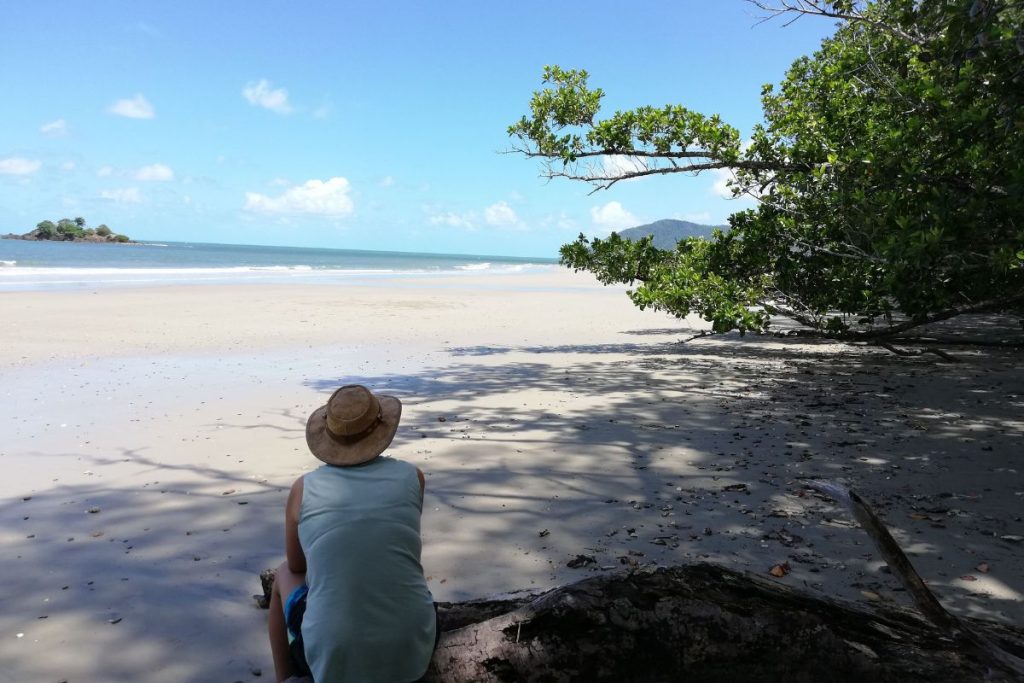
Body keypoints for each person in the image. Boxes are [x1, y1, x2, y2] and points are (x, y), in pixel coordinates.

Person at [268, 385, 437, 683]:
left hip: (333, 656)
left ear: (329, 436)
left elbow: (297, 566)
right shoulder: (413, 477)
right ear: (381, 430)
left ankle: (285, 678)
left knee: (282, 574)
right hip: (413, 647)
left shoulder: (303, 489)